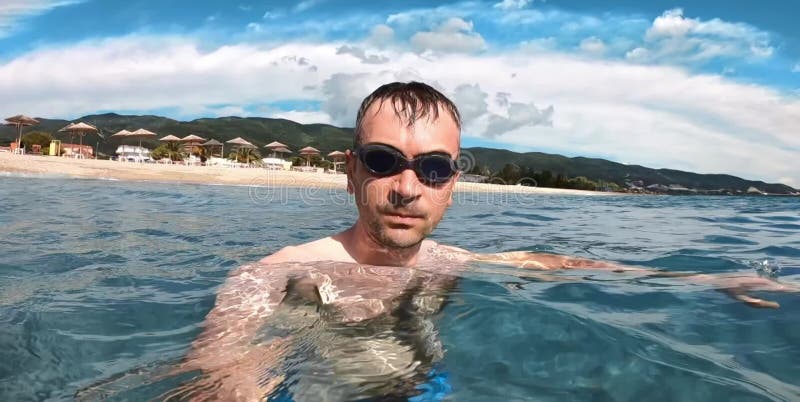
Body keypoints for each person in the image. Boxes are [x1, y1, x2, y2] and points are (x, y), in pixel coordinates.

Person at [178, 82, 796, 401]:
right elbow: (218, 370)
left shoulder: (455, 263)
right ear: (350, 170)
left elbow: (565, 265)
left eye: (434, 168)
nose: (406, 187)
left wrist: (707, 281)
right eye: (383, 160)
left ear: (453, 184)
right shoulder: (280, 274)